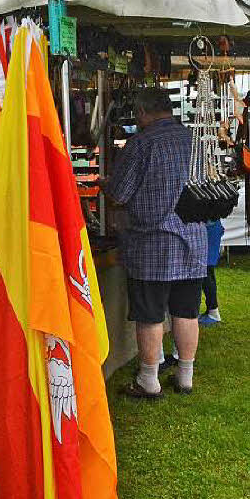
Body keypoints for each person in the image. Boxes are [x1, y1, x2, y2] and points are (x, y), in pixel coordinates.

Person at [105, 87, 207, 397]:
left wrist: (105, 185)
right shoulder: (195, 140)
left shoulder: (141, 144)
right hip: (194, 236)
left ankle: (149, 380)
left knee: (149, 314)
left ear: (143, 113)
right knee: (186, 311)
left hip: (154, 242)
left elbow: (119, 193)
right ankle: (185, 376)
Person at [201, 219, 224, 326]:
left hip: (209, 228)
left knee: (206, 274)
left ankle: (213, 312)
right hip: (211, 227)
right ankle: (211, 310)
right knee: (207, 273)